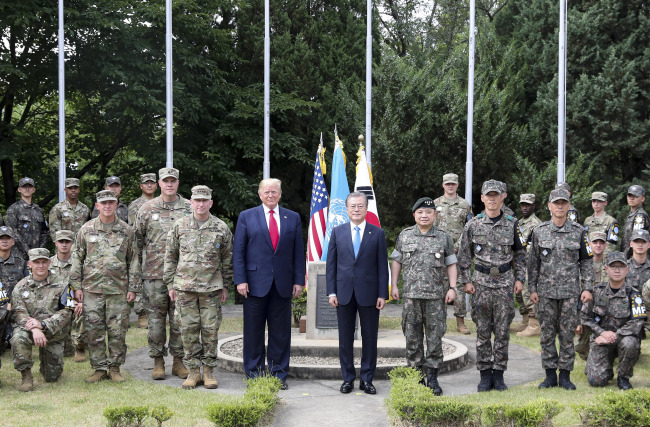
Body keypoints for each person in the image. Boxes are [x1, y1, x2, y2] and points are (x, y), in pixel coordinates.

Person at [233, 178, 305, 390]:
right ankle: (254, 374)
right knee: (253, 332)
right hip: (254, 285)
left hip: (283, 284)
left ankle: (278, 375)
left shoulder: (292, 217)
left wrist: (299, 281)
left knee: (280, 333)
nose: (271, 195)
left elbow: (298, 253)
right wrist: (241, 280)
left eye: (274, 192)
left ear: (280, 194)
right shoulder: (247, 216)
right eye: (267, 192)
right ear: (260, 194)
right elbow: (239, 252)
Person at [458, 180, 526, 392]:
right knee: (483, 332)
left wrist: (520, 279)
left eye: (496, 195)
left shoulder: (513, 224)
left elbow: (520, 255)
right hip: (481, 284)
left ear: (503, 196)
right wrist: (466, 281)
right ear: (482, 198)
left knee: (503, 331)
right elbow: (463, 256)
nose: (492, 199)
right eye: (489, 195)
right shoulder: (473, 225)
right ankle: (485, 375)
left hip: (505, 284)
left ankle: (499, 374)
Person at [164, 185, 233, 389]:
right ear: (191, 202)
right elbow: (170, 256)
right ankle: (193, 371)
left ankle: (209, 371)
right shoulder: (179, 226)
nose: (201, 204)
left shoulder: (221, 227)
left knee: (210, 331)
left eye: (204, 200)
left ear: (210, 203)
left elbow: (227, 259)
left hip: (211, 289)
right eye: (197, 200)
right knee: (188, 331)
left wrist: (226, 285)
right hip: (184, 288)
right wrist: (170, 284)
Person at [528, 188, 594, 390]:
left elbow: (586, 262)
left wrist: (587, 287)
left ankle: (565, 376)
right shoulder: (539, 232)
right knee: (547, 334)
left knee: (567, 335)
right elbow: (533, 263)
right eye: (556, 203)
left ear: (568, 206)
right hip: (546, 292)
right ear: (549, 206)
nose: (559, 206)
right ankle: (550, 375)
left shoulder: (579, 232)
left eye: (563, 203)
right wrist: (532, 288)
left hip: (570, 293)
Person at [70, 190, 138, 383]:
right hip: (92, 289)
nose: (107, 206)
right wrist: (76, 286)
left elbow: (133, 260)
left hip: (118, 290)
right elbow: (77, 258)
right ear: (97, 206)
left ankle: (115, 368)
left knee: (117, 331)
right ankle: (99, 368)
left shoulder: (126, 230)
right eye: (104, 203)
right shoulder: (86, 230)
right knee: (94, 331)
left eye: (111, 202)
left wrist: (133, 288)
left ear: (116, 205)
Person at [390, 197, 457, 395]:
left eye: (428, 212)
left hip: (436, 297)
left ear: (435, 215)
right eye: (420, 212)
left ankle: (433, 378)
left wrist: (452, 287)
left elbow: (451, 263)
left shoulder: (444, 237)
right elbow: (397, 261)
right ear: (414, 215)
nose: (424, 215)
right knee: (412, 337)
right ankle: (417, 378)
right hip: (411, 297)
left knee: (435, 338)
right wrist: (394, 285)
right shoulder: (405, 236)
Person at [327, 191, 388, 395]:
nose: (356, 209)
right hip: (343, 293)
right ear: (346, 209)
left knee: (370, 338)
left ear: (366, 208)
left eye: (360, 206)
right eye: (352, 206)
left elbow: (382, 266)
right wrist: (331, 292)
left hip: (370, 293)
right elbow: (331, 265)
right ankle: (348, 379)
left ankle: (367, 379)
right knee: (345, 339)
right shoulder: (337, 232)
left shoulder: (377, 233)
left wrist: (382, 294)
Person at [134, 167, 192, 380]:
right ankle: (158, 361)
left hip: (182, 275)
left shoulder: (189, 207)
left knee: (179, 321)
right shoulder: (147, 208)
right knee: (156, 322)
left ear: (178, 183)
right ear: (159, 183)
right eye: (165, 181)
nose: (169, 184)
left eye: (172, 181)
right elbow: (137, 242)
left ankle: (178, 361)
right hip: (154, 276)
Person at [10, 248, 74, 392]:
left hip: (53, 331)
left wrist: (44, 324)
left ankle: (47, 362)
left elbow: (67, 311)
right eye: (36, 262)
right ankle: (26, 376)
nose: (40, 265)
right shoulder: (20, 287)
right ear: (29, 264)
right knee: (18, 338)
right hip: (29, 330)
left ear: (49, 262)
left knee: (52, 377)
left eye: (44, 262)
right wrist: (34, 328)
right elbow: (18, 312)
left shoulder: (63, 284)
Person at [581, 252, 645, 390]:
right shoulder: (596, 291)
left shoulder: (634, 294)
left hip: (623, 339)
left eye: (621, 267)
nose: (617, 270)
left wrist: (613, 336)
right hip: (601, 340)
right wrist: (601, 332)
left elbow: (637, 323)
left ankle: (623, 376)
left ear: (627, 269)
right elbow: (585, 317)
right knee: (596, 381)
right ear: (606, 269)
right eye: (613, 266)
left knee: (630, 343)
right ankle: (605, 367)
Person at [433, 173, 472, 335]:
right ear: (443, 185)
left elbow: (469, 227)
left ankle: (460, 322)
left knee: (460, 286)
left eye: (453, 184)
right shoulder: (435, 203)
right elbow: (431, 227)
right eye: (447, 183)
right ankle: (438, 320)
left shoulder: (465, 205)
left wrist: (457, 246)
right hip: (439, 252)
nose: (450, 186)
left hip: (459, 252)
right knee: (439, 285)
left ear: (457, 185)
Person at [128, 173, 158, 329]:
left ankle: (157, 313)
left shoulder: (161, 203)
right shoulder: (135, 205)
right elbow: (134, 231)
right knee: (140, 280)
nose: (149, 185)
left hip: (158, 250)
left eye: (152, 182)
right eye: (146, 183)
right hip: (142, 249)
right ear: (141, 186)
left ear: (156, 185)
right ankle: (142, 314)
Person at [575, 231, 609, 360]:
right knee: (584, 353)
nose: (598, 245)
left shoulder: (611, 266)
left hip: (607, 313)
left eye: (601, 242)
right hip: (587, 313)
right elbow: (575, 297)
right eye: (595, 242)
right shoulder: (581, 267)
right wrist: (577, 321)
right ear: (589, 244)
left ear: (605, 245)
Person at [512, 193, 542, 337]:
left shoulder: (536, 224)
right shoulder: (519, 223)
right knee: (519, 293)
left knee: (528, 293)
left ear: (533, 206)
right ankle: (525, 321)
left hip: (529, 264)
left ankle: (534, 324)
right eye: (522, 205)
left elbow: (534, 248)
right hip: (519, 263)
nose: (524, 207)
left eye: (528, 205)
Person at [0, 226, 29, 375]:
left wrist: (14, 303)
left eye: (7, 238)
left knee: (18, 339)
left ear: (13, 241)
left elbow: (28, 286)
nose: (4, 241)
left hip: (16, 308)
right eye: (1, 238)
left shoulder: (21, 262)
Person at [5, 177, 48, 257]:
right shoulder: (13, 209)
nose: (27, 189)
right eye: (24, 186)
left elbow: (44, 232)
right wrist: (27, 250)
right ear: (19, 189)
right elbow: (12, 232)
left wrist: (39, 250)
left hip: (37, 256)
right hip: (18, 255)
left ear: (34, 189)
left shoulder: (39, 211)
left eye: (30, 186)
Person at [49, 230, 76, 357]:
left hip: (75, 301)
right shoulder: (48, 264)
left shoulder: (79, 263)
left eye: (67, 242)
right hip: (53, 303)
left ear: (72, 243)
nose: (64, 244)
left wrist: (80, 302)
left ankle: (80, 344)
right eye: (61, 241)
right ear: (56, 243)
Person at [48, 178, 91, 242]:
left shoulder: (85, 209)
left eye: (75, 188)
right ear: (65, 190)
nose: (73, 190)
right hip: (64, 245)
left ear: (79, 189)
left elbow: (89, 229)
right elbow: (54, 232)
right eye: (70, 188)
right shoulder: (57, 208)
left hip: (81, 245)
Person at [620, 185, 650, 258]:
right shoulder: (633, 214)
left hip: (635, 258)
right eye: (629, 195)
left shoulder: (640, 216)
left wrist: (626, 258)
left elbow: (637, 240)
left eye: (635, 196)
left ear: (642, 198)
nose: (632, 198)